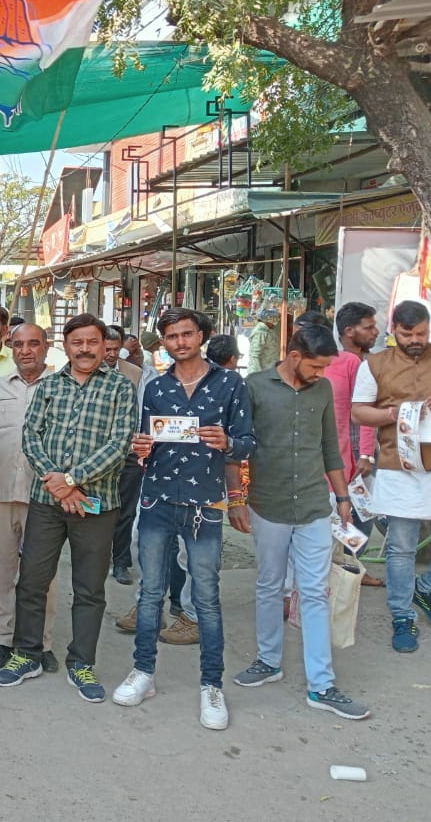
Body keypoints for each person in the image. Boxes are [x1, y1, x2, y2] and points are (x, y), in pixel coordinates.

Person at [115, 308, 256, 729]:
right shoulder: (156, 387)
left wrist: (229, 441)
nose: (180, 342)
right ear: (164, 341)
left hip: (204, 505)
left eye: (187, 334)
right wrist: (140, 449)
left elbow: (248, 444)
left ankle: (211, 686)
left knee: (207, 597)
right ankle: (143, 672)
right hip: (157, 499)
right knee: (151, 592)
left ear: (202, 336)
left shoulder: (230, 383)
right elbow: (145, 443)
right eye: (172, 336)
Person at [0, 313, 137, 703]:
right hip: (46, 503)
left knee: (89, 588)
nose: (86, 350)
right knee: (32, 581)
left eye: (93, 342)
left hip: (97, 505)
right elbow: (31, 435)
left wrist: (71, 480)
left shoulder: (121, 389)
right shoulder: (49, 386)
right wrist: (57, 484)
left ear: (102, 346)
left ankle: (81, 662)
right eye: (78, 343)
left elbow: (119, 443)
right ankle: (27, 654)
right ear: (66, 346)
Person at [232, 327, 369, 719]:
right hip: (267, 504)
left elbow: (330, 446)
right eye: (316, 365)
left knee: (313, 591)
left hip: (313, 504)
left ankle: (322, 685)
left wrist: (342, 497)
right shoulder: (254, 386)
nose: (321, 373)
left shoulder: (322, 391)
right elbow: (238, 447)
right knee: (269, 585)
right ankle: (268, 661)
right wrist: (237, 499)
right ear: (294, 356)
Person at [351, 300, 431, 653]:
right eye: (407, 333)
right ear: (393, 330)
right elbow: (358, 413)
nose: (416, 340)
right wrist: (393, 414)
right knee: (400, 548)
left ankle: (428, 589)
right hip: (400, 467)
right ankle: (401, 615)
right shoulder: (375, 364)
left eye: (422, 333)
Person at [0, 323, 58, 673]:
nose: (26, 351)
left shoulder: (60, 388)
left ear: (46, 347)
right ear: (11, 348)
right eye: (19, 345)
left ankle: (39, 642)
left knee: (41, 575)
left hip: (43, 496)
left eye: (33, 344)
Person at [325, 302, 382, 585]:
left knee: (362, 513)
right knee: (352, 513)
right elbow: (360, 412)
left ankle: (352, 568)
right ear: (349, 331)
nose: (376, 331)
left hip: (359, 452)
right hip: (351, 454)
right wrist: (366, 455)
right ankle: (347, 570)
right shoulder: (345, 362)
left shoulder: (365, 362)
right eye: (369, 327)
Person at [106, 326, 146, 586]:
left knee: (125, 509)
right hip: (94, 454)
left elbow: (142, 410)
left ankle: (121, 561)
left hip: (128, 452)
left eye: (114, 349)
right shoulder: (83, 371)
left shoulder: (135, 373)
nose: (110, 354)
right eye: (106, 348)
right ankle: (97, 559)